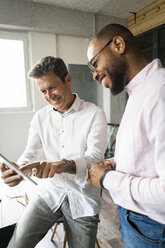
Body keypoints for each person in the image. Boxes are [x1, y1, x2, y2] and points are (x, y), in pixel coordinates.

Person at [0, 56, 107, 248]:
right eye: (43, 91)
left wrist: (64, 165)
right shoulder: (40, 117)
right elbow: (30, 154)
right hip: (51, 192)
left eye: (52, 87)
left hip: (83, 198)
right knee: (17, 244)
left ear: (68, 80)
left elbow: (95, 159)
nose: (49, 95)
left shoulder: (94, 113)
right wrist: (18, 169)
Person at [86, 23, 165, 248]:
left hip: (152, 229)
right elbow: (146, 156)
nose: (94, 75)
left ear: (118, 45)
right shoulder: (140, 91)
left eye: (95, 64)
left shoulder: (160, 92)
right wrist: (115, 164)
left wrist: (106, 178)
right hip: (136, 222)